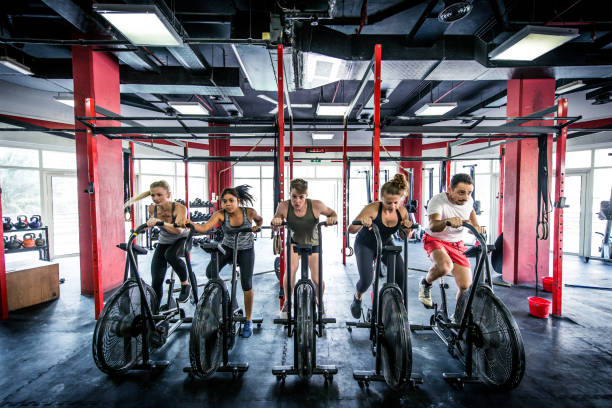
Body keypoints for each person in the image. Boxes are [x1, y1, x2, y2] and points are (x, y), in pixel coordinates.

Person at [184, 185, 262, 338]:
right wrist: (193, 225)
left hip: (246, 250)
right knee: (210, 272)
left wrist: (256, 227)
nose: (227, 204)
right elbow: (205, 227)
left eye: (231, 200)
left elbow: (259, 220)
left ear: (238, 201)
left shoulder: (249, 212)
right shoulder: (220, 214)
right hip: (228, 248)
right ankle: (224, 290)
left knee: (246, 283)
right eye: (224, 201)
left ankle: (248, 320)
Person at [348, 173, 414, 319]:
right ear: (381, 198)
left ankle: (397, 307)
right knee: (367, 280)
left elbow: (405, 237)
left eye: (396, 202)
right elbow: (350, 229)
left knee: (401, 275)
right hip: (365, 244)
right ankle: (357, 298)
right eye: (388, 202)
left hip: (385, 243)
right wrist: (362, 222)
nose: (392, 206)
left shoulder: (402, 212)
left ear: (400, 200)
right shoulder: (372, 208)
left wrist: (407, 229)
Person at [271, 178, 337, 318]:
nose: (297, 201)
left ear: (306, 196)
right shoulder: (283, 206)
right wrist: (276, 222)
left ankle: (320, 300)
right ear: (290, 195)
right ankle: (288, 302)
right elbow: (276, 223)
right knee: (290, 273)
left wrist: (332, 218)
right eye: (294, 196)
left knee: (317, 279)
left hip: (313, 244)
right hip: (294, 243)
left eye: (301, 197)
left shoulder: (316, 205)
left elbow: (333, 213)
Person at [419, 173, 486, 309]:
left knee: (465, 285)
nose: (466, 197)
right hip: (435, 239)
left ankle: (458, 316)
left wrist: (476, 225)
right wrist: (447, 222)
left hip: (456, 243)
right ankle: (426, 283)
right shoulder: (438, 201)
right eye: (461, 193)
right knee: (445, 267)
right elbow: (433, 225)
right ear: (450, 189)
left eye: (469, 193)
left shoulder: (468, 200)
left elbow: (470, 209)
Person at [124, 180, 191, 308]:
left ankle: (185, 284)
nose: (155, 198)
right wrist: (142, 227)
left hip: (181, 240)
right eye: (153, 195)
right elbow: (151, 223)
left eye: (159, 195)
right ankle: (154, 313)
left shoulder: (179, 208)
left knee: (170, 255)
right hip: (164, 242)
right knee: (156, 280)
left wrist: (160, 222)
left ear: (168, 194)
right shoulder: (152, 208)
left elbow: (178, 230)